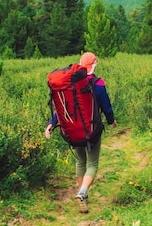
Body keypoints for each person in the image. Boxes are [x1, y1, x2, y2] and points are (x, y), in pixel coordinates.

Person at [45, 52, 117, 213]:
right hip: (91, 130)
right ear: (95, 64)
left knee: (80, 163)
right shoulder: (98, 84)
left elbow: (63, 109)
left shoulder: (72, 86)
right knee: (92, 164)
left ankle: (82, 196)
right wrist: (112, 120)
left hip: (73, 131)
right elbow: (106, 107)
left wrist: (51, 123)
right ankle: (82, 193)